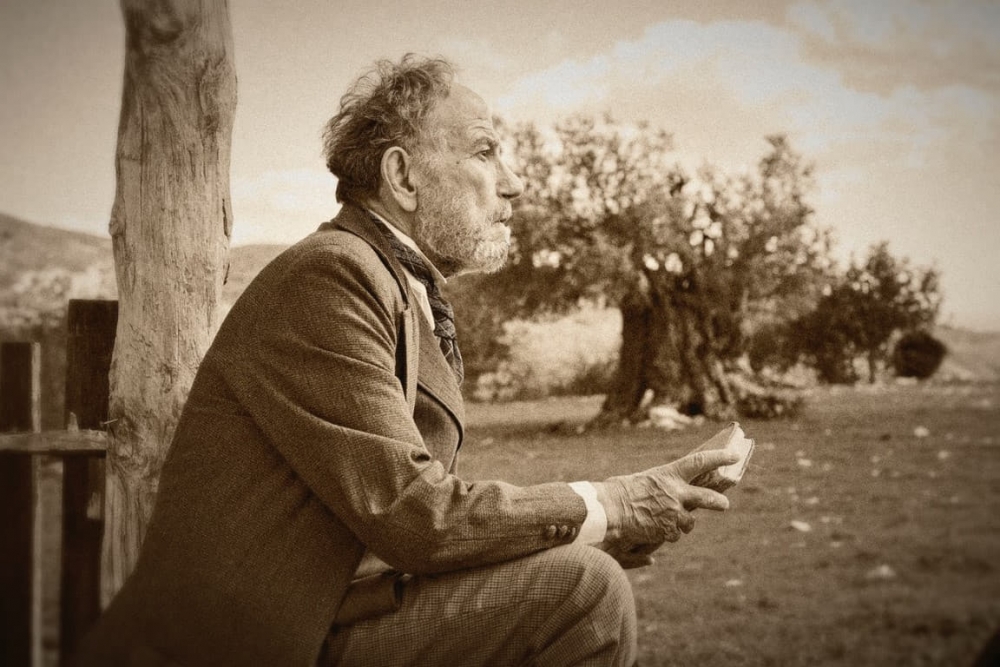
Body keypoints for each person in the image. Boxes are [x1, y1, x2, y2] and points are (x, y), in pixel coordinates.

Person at [74, 54, 739, 667]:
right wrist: (611, 504)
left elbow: (412, 518)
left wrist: (588, 526)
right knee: (584, 594)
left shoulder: (395, 284)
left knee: (578, 576)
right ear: (402, 176)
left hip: (326, 615)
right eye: (486, 151)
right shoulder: (330, 276)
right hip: (248, 643)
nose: (514, 184)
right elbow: (415, 514)